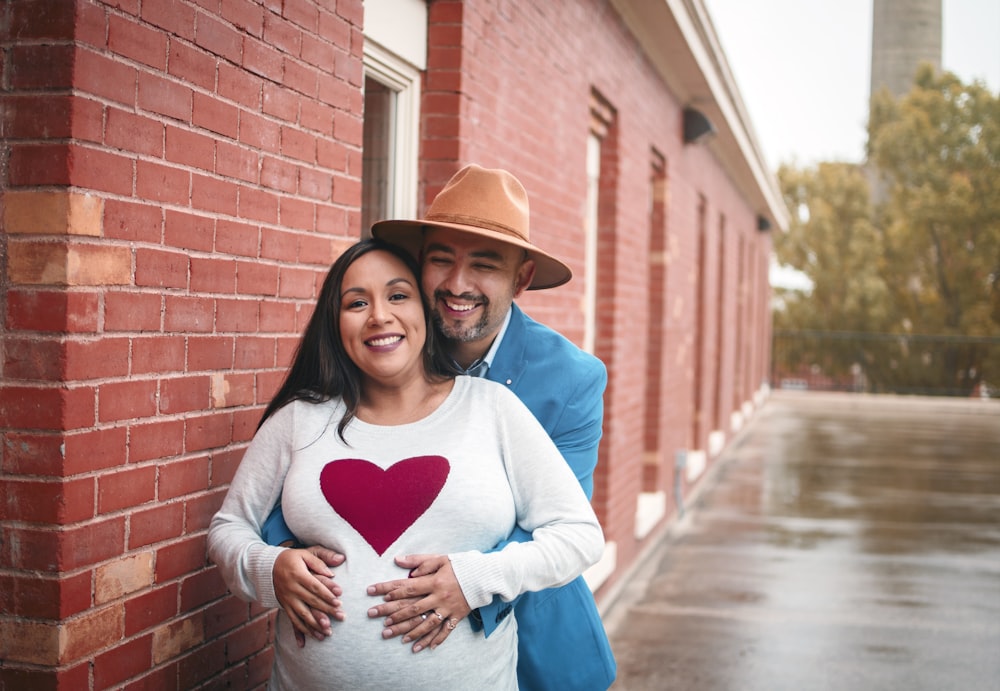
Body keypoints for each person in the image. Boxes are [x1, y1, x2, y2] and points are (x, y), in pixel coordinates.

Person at [265, 164, 618, 690]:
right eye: (440, 260)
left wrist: (468, 583)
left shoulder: (571, 380)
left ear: (520, 279)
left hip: (532, 638)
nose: (458, 284)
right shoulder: (380, 345)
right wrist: (292, 558)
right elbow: (295, 471)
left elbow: (557, 524)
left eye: (484, 265)